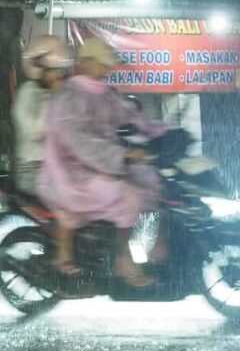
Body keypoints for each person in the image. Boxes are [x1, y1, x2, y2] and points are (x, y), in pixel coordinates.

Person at [39, 38, 167, 287]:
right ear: (86, 63)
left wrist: (163, 133)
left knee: (152, 181)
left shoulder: (103, 92)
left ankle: (152, 248)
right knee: (129, 196)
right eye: (103, 64)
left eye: (110, 65)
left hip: (101, 165)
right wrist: (121, 156)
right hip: (73, 172)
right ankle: (123, 260)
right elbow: (80, 142)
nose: (109, 70)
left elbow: (131, 117)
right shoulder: (70, 96)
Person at [12, 35, 74, 194]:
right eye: (54, 71)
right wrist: (51, 98)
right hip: (33, 170)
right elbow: (36, 132)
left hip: (55, 167)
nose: (59, 76)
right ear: (40, 70)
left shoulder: (57, 94)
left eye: (60, 71)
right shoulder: (28, 93)